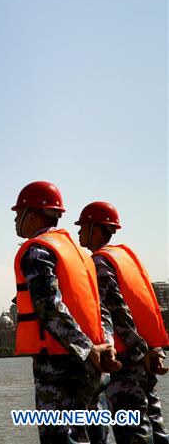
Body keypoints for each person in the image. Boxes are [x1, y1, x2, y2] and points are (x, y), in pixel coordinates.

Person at [11, 180, 121, 443]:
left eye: (18, 213)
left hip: (60, 365)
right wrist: (104, 346)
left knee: (61, 438)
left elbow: (49, 307)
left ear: (33, 214)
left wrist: (86, 349)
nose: (15, 220)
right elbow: (100, 309)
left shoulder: (39, 250)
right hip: (93, 364)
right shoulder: (79, 254)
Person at [77, 201, 169, 444]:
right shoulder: (126, 257)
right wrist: (153, 351)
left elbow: (118, 311)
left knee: (132, 431)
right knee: (155, 424)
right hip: (146, 355)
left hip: (127, 358)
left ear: (96, 228)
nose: (77, 232)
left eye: (82, 226)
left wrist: (138, 353)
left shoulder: (98, 261)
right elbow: (147, 308)